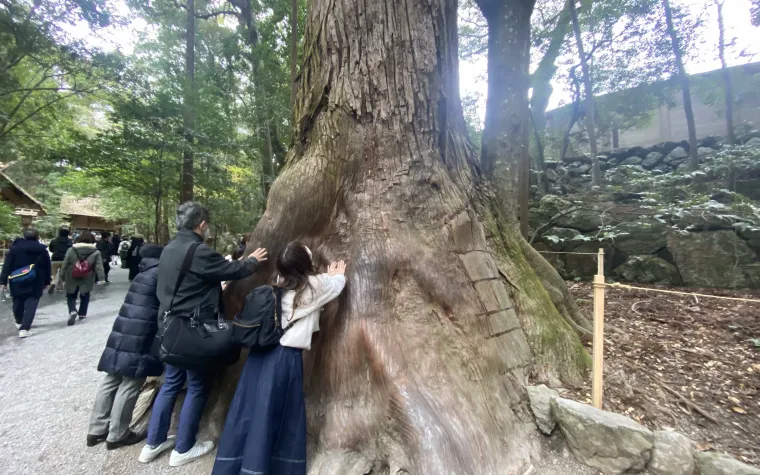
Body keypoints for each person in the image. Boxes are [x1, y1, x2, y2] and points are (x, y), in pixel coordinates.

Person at [139, 202, 268, 468]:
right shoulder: (199, 251)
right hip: (192, 332)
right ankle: (183, 448)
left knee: (171, 384)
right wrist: (253, 261)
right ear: (202, 225)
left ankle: (152, 443)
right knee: (197, 385)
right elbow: (233, 270)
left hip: (170, 329)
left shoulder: (170, 249)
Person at [212, 242, 346, 475]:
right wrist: (336, 274)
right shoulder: (314, 287)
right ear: (305, 264)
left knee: (249, 411)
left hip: (258, 357)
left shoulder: (276, 282)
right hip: (284, 359)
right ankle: (265, 467)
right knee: (272, 415)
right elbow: (337, 285)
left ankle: (237, 464)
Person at [87, 244, 165, 450]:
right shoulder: (160, 273)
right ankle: (118, 433)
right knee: (132, 380)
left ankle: (96, 429)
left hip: (124, 328)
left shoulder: (143, 272)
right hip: (141, 331)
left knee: (112, 378)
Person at [0, 229, 52, 338]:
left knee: (17, 301)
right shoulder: (42, 250)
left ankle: (19, 321)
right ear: (37, 237)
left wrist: (3, 281)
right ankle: (24, 328)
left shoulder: (15, 249)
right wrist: (47, 281)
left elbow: (7, 265)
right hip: (36, 280)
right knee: (31, 304)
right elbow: (47, 266)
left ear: (24, 236)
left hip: (17, 279)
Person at [60, 232, 105, 326]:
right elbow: (99, 266)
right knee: (85, 294)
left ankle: (72, 310)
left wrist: (62, 276)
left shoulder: (71, 249)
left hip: (71, 274)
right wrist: (101, 278)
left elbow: (65, 263)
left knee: (71, 294)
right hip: (87, 275)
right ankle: (82, 313)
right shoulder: (96, 252)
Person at [48, 227, 73, 293]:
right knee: (62, 274)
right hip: (65, 260)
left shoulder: (54, 241)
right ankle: (59, 287)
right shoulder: (70, 242)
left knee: (52, 274)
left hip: (55, 259)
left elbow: (51, 249)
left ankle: (53, 282)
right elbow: (71, 251)